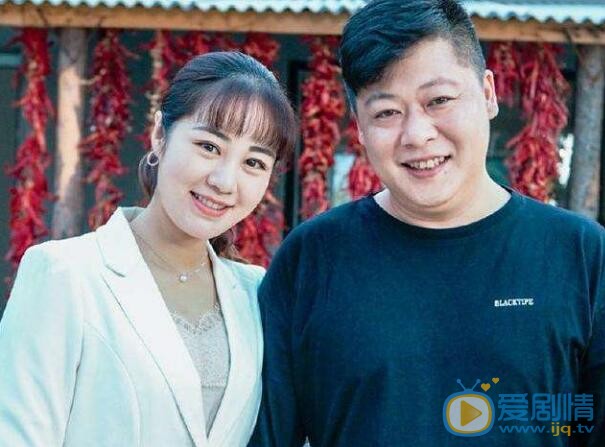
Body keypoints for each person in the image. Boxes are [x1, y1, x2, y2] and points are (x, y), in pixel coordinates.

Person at [249, 0, 605, 446]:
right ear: (359, 126)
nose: (417, 135)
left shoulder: (582, 255)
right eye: (387, 112)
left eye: (439, 101)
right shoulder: (311, 259)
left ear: (488, 94)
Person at [0, 51, 297, 447]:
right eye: (209, 146)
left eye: (254, 163)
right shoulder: (64, 274)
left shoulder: (256, 292)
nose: (225, 181)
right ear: (160, 135)